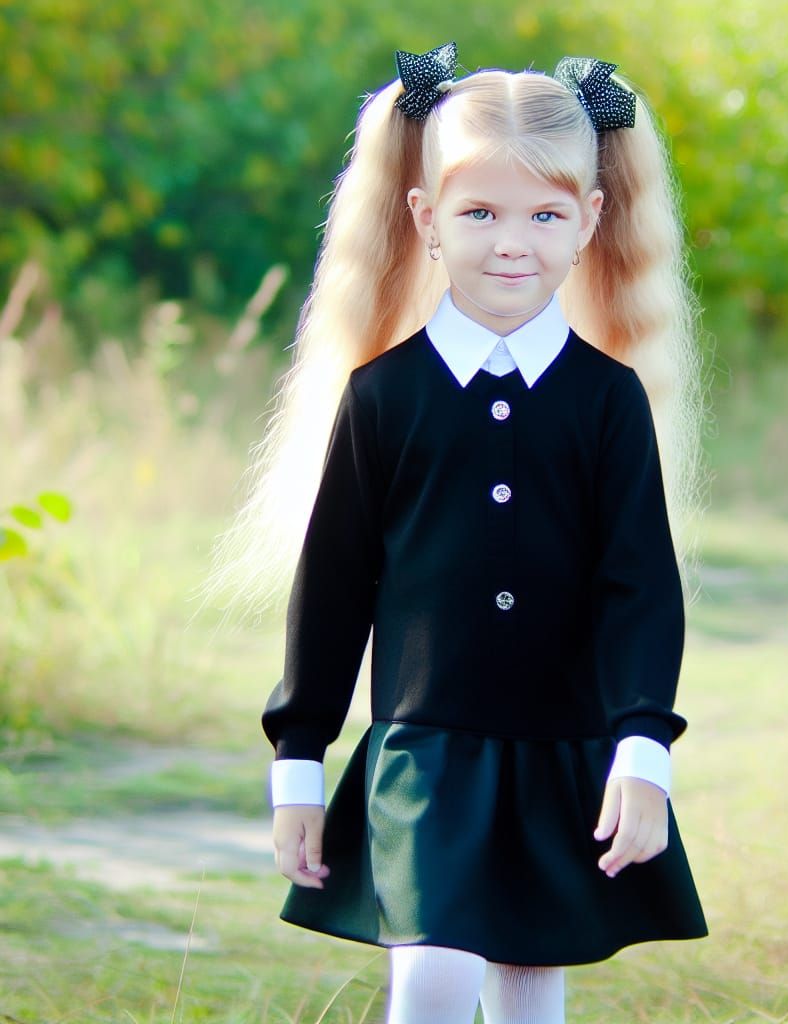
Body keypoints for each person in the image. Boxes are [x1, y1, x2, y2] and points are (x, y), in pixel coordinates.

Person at [255, 42, 710, 1024]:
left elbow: (639, 586)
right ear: (426, 220)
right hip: (425, 749)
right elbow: (332, 589)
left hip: (565, 747)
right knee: (431, 975)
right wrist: (299, 758)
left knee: (529, 978)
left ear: (589, 221)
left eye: (545, 215)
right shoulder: (383, 398)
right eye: (480, 213)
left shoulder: (607, 401)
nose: (514, 243)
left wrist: (641, 747)